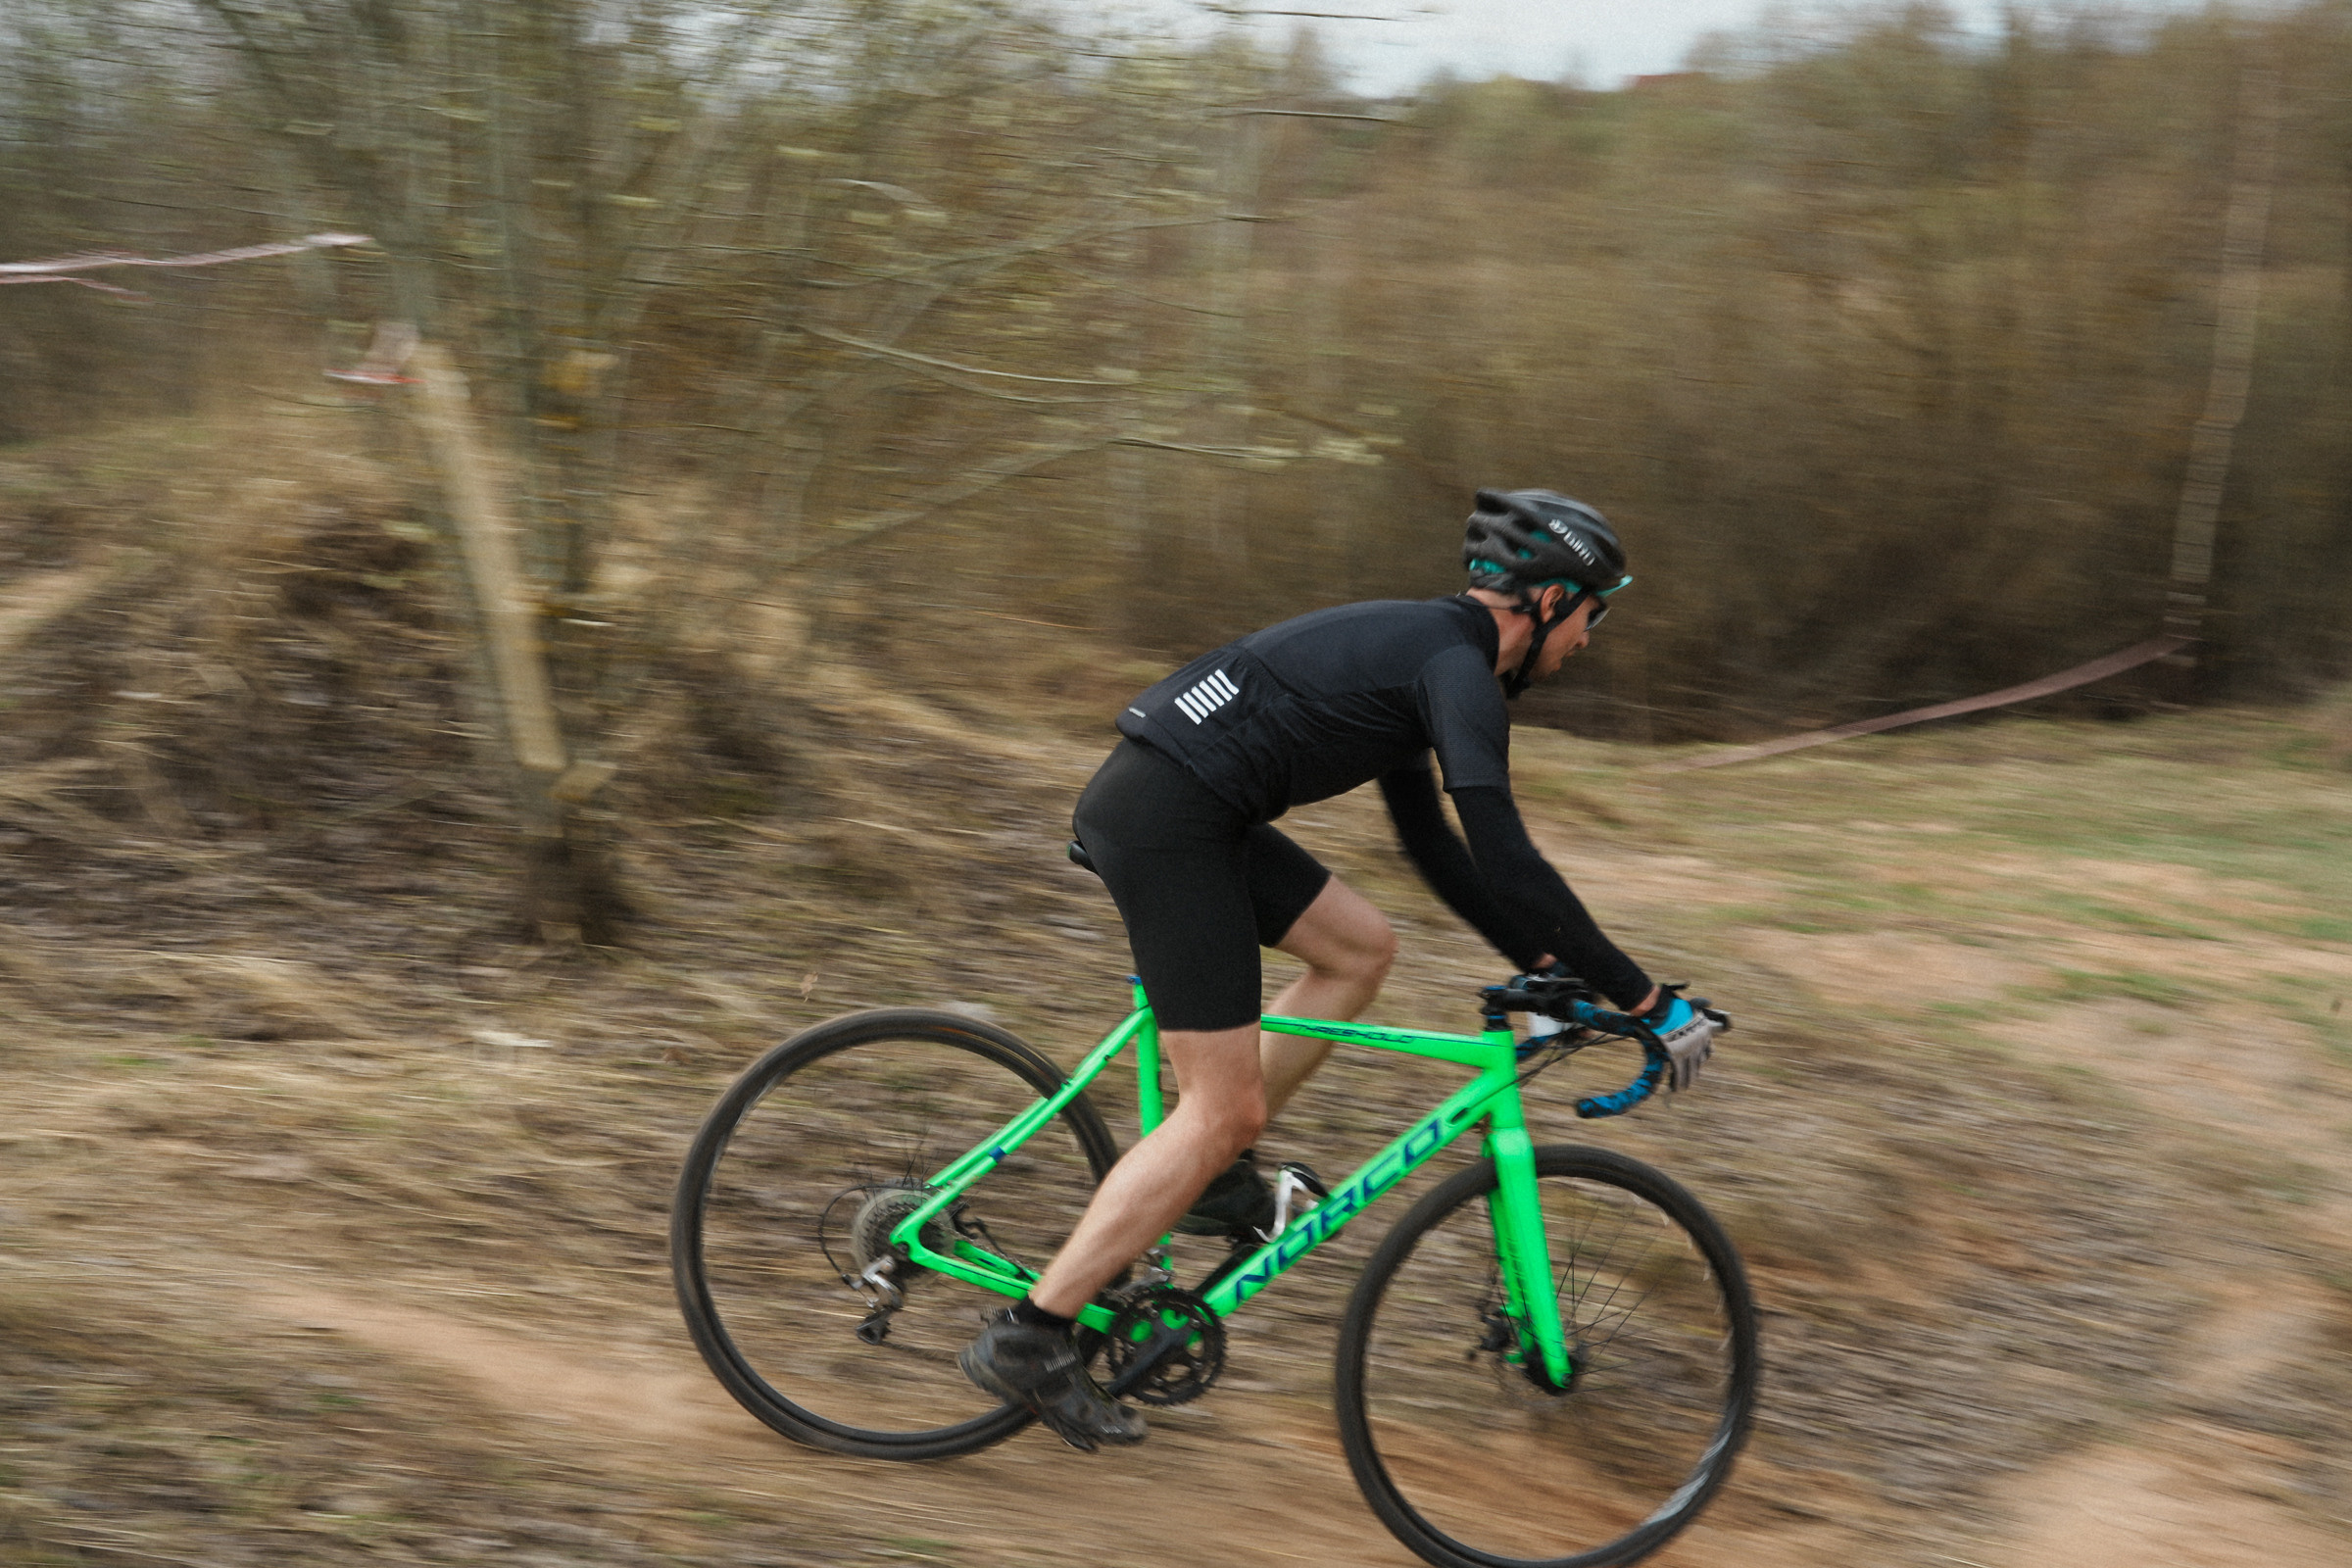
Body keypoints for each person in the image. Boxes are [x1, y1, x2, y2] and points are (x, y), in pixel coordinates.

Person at [957, 487, 1727, 1451]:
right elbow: (1508, 856)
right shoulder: (1457, 671)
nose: (1593, 635)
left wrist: (1541, 963)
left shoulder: (1429, 656)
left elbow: (1437, 849)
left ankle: (1213, 1176)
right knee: (1220, 1105)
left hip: (1190, 802)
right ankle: (1033, 1334)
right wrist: (1647, 1000)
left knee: (1361, 946)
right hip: (1169, 820)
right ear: (1546, 601)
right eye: (1594, 610)